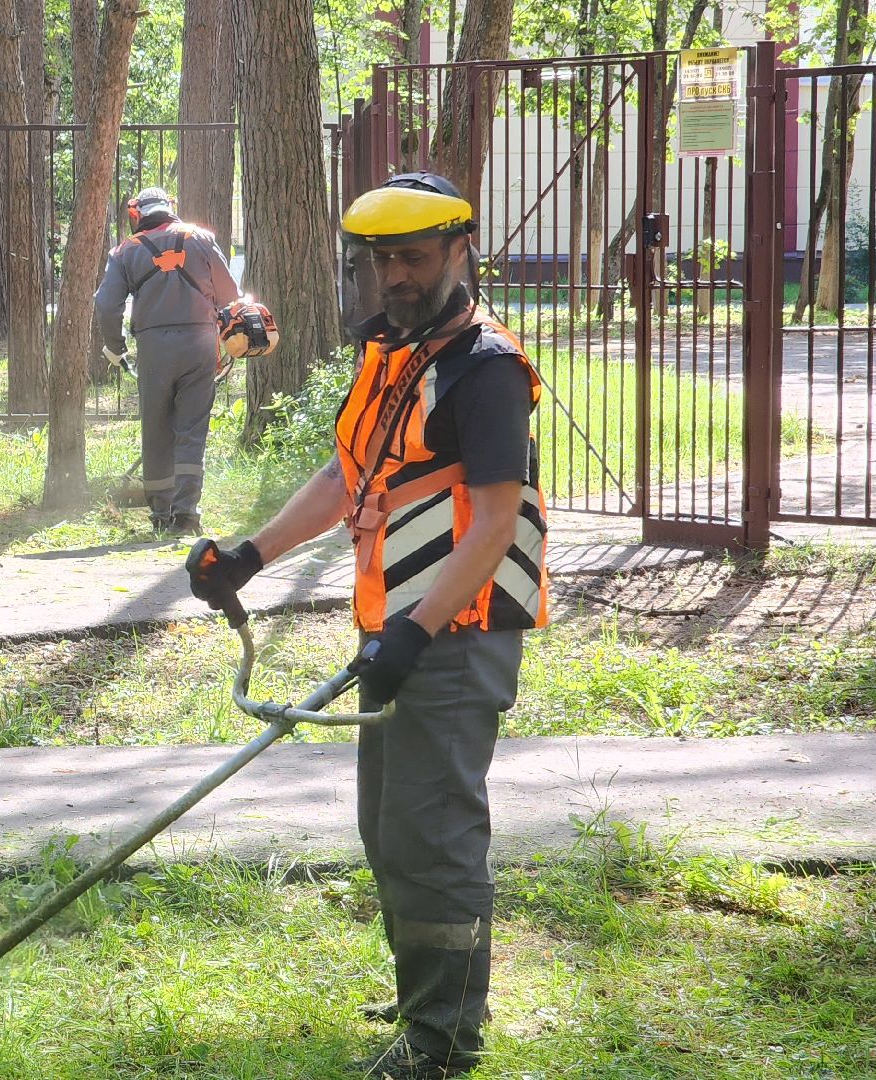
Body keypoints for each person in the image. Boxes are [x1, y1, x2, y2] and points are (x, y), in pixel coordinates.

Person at [186, 173, 549, 1079]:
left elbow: (497, 524)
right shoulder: (394, 356)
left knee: (432, 835)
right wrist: (249, 556)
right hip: (398, 630)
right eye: (378, 260)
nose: (392, 276)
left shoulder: (486, 369)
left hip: (454, 636)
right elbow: (349, 476)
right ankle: (428, 988)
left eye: (411, 258)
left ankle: (442, 1041)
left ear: (460, 251)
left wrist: (416, 635)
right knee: (388, 828)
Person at [94, 187, 239, 534]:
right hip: (200, 345)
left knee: (156, 430)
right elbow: (230, 294)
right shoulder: (200, 238)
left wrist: (116, 348)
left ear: (137, 215)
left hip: (153, 349)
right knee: (192, 430)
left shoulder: (125, 250)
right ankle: (186, 515)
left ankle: (160, 515)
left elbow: (105, 304)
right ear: (170, 209)